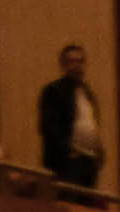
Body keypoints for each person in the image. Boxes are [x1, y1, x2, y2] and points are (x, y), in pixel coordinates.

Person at [36, 40, 102, 188]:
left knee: (87, 207)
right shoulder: (53, 90)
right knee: (68, 204)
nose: (77, 65)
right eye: (72, 61)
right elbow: (48, 126)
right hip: (67, 162)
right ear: (63, 65)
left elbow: (91, 123)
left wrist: (99, 151)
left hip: (89, 160)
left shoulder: (87, 92)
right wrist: (67, 150)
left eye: (80, 61)